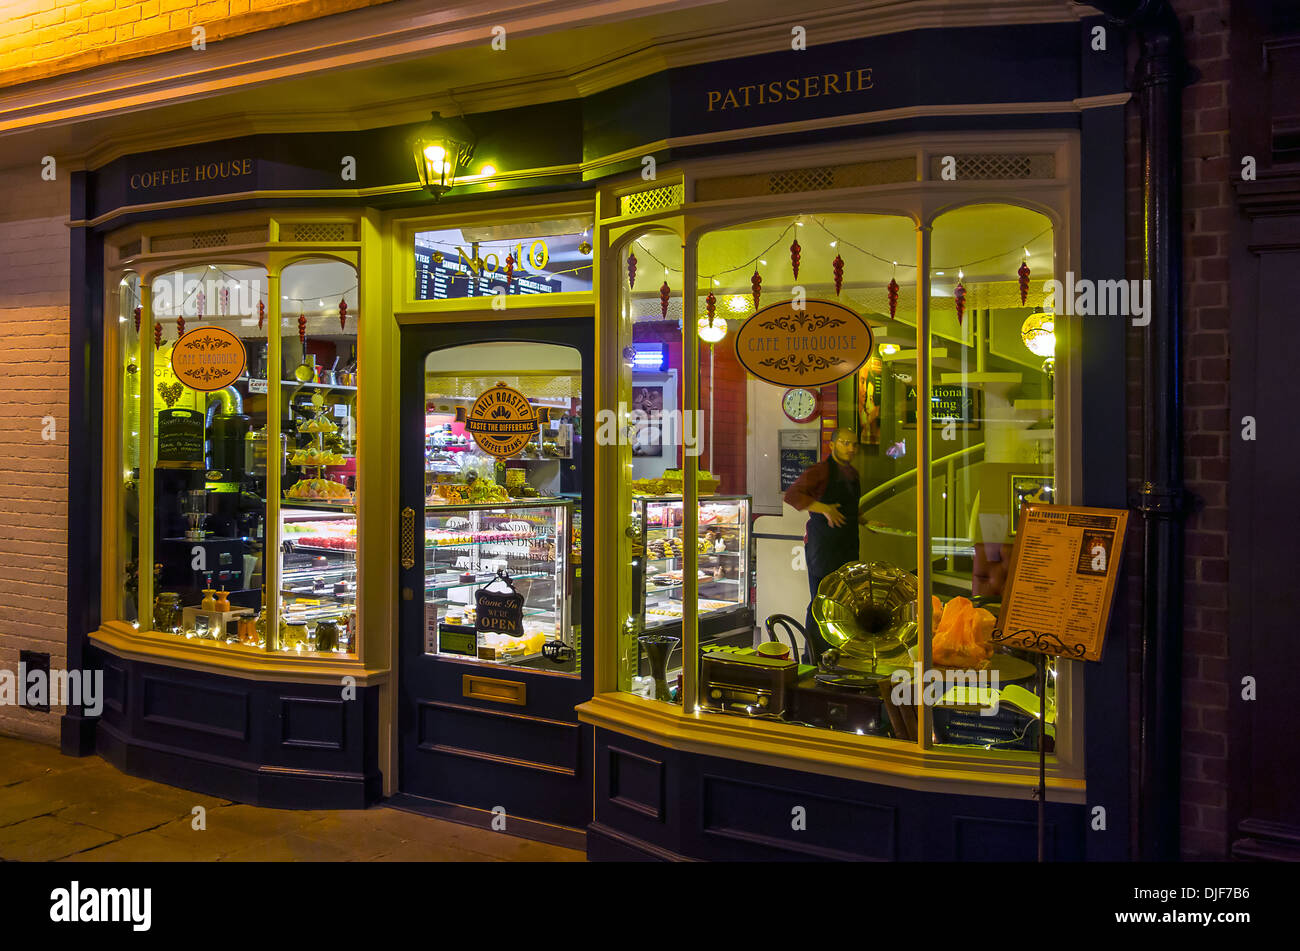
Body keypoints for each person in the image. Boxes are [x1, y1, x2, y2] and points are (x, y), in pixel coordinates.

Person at [783, 427, 867, 657]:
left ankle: (837, 652)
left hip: (848, 543)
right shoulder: (820, 470)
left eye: (854, 444)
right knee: (821, 601)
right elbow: (792, 495)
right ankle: (812, 656)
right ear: (833, 445)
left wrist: (861, 518)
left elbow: (846, 506)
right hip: (823, 547)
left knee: (845, 602)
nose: (851, 448)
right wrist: (824, 509)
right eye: (845, 443)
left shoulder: (852, 473)